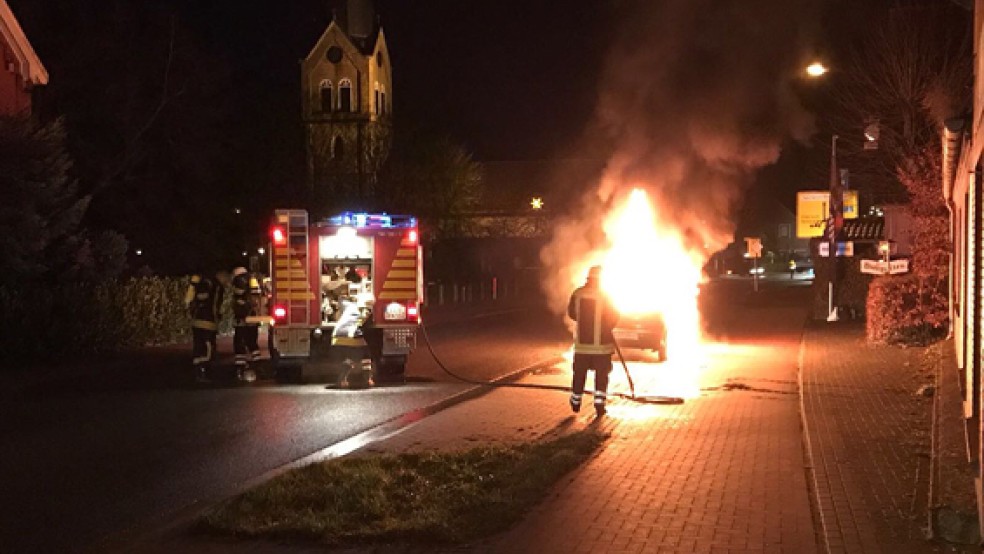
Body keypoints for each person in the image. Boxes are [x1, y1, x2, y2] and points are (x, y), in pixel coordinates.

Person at [567, 265, 620, 416]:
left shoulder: (578, 293)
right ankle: (599, 405)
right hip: (601, 348)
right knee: (601, 376)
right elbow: (614, 316)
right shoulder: (605, 296)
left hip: (582, 346)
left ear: (588, 278)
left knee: (579, 373)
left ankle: (576, 401)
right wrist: (606, 327)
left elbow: (571, 313)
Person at [184, 270, 225, 383]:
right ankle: (204, 372)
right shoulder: (216, 286)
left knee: (198, 347)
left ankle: (199, 372)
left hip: (197, 321)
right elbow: (215, 304)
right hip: (208, 322)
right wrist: (217, 317)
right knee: (208, 350)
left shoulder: (202, 283)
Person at [231, 266, 260, 381]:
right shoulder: (252, 280)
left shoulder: (240, 281)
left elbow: (238, 295)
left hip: (242, 319)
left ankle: (240, 369)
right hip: (252, 319)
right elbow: (255, 296)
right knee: (252, 343)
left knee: (239, 344)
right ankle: (257, 367)